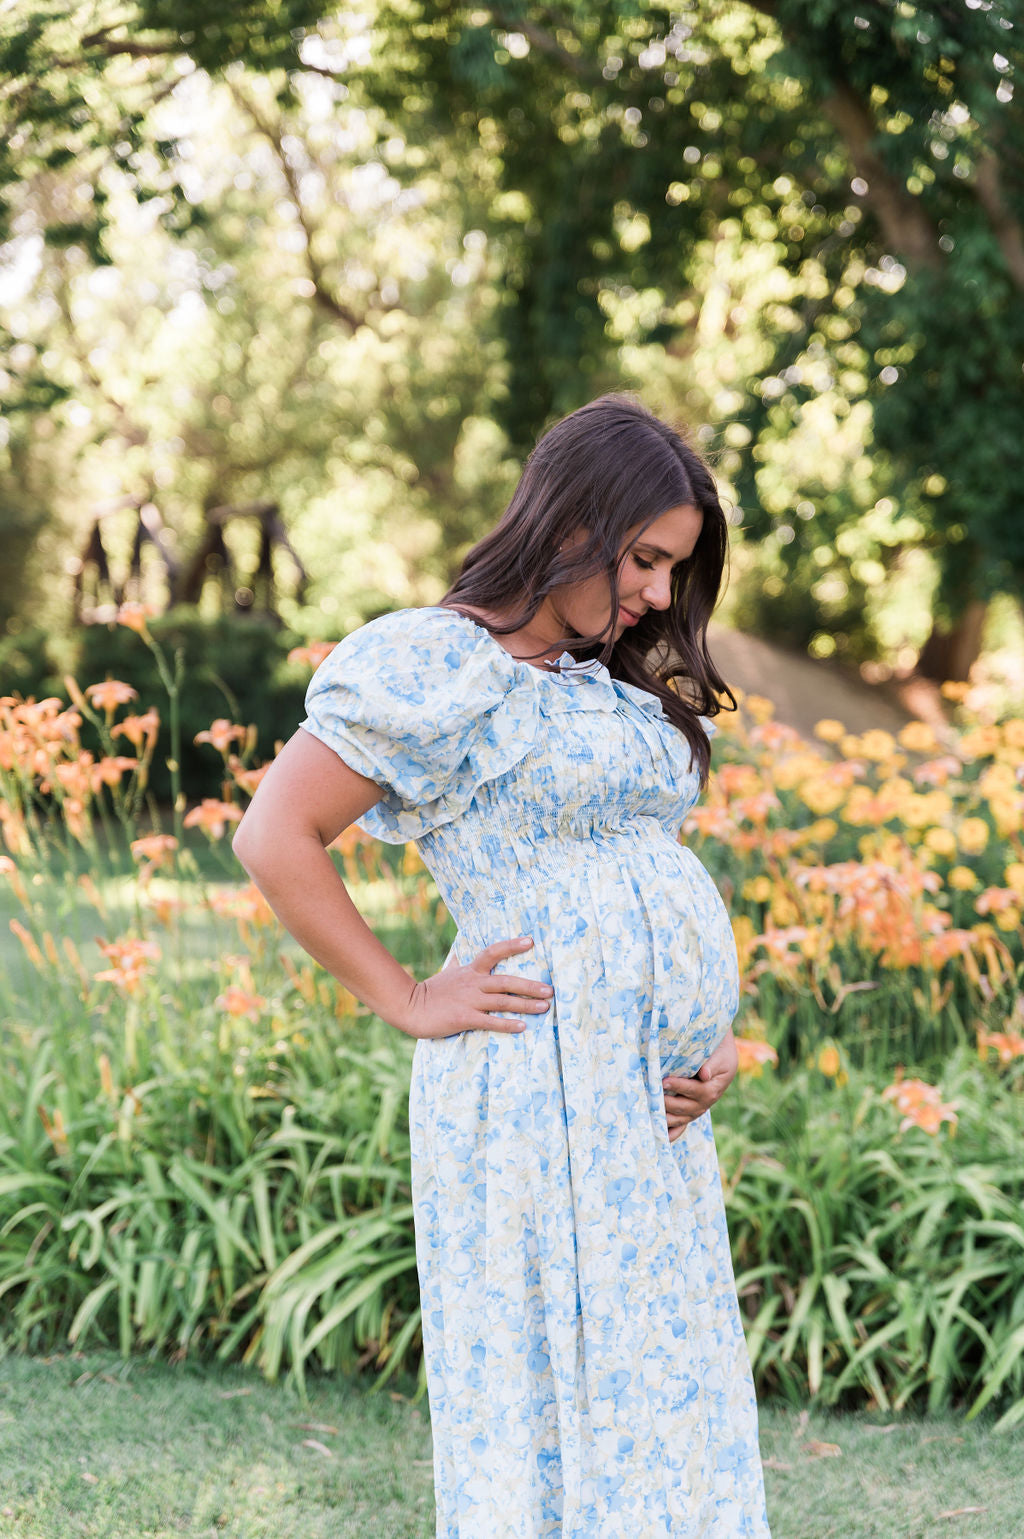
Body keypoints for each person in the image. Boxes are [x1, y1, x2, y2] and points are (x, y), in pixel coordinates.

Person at [233, 394, 771, 1538]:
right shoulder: (436, 666)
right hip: (534, 1091)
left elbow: (647, 868)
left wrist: (704, 1037)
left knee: (658, 1384)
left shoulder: (619, 674)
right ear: (572, 521)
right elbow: (273, 837)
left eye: (675, 568)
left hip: (652, 1114)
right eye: (645, 558)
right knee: (550, 1380)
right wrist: (411, 997)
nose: (659, 594)